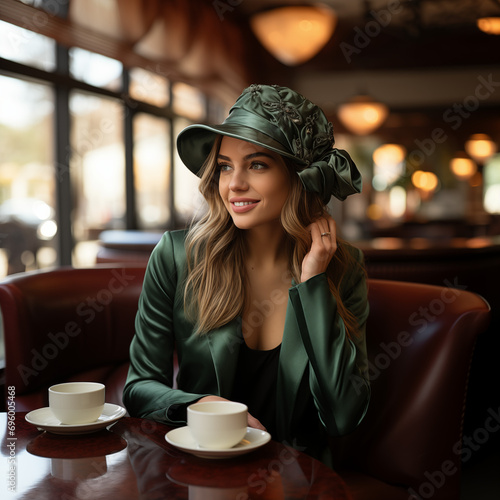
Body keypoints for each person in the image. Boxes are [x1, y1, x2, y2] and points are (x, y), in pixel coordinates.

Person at [123, 84, 370, 466]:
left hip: (296, 479)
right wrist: (200, 404)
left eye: (257, 164)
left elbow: (342, 417)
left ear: (299, 177)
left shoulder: (343, 267)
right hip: (198, 469)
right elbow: (138, 389)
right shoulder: (176, 256)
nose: (234, 183)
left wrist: (313, 285)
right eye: (225, 166)